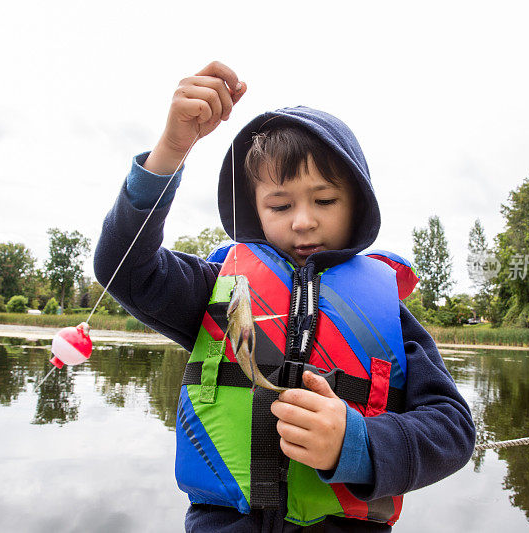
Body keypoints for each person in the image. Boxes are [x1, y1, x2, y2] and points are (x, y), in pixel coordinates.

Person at [94, 61, 475, 532]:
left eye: (324, 200)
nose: (302, 221)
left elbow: (453, 430)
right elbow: (122, 268)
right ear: (254, 208)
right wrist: (170, 151)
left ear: (357, 203)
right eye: (280, 204)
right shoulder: (216, 287)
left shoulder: (389, 313)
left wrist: (353, 444)